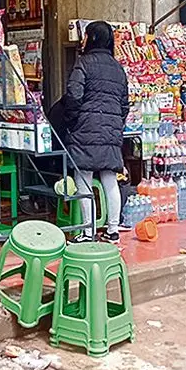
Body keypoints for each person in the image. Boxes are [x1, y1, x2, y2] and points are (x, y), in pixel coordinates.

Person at [63, 20, 129, 243]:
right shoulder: (118, 68)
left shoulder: (84, 63)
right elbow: (124, 104)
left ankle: (88, 231)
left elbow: (73, 95)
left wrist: (73, 121)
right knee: (110, 178)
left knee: (84, 178)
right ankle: (112, 230)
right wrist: (116, 125)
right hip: (111, 131)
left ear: (91, 38)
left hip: (86, 128)